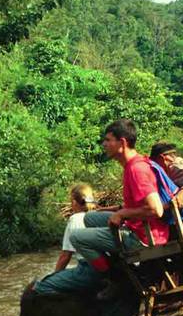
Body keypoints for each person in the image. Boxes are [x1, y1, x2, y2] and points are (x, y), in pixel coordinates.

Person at [69, 119, 168, 297]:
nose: (104, 144)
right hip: (140, 227)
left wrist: (122, 213)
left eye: (108, 140)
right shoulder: (132, 165)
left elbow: (156, 210)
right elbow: (138, 204)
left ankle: (115, 279)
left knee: (76, 237)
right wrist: (117, 209)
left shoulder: (136, 170)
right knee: (89, 218)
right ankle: (115, 262)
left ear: (122, 142)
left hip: (143, 237)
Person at [33, 183, 104, 295]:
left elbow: (65, 256)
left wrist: (55, 275)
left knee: (41, 287)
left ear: (74, 202)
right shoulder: (99, 217)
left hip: (87, 270)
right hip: (105, 268)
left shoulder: (74, 219)